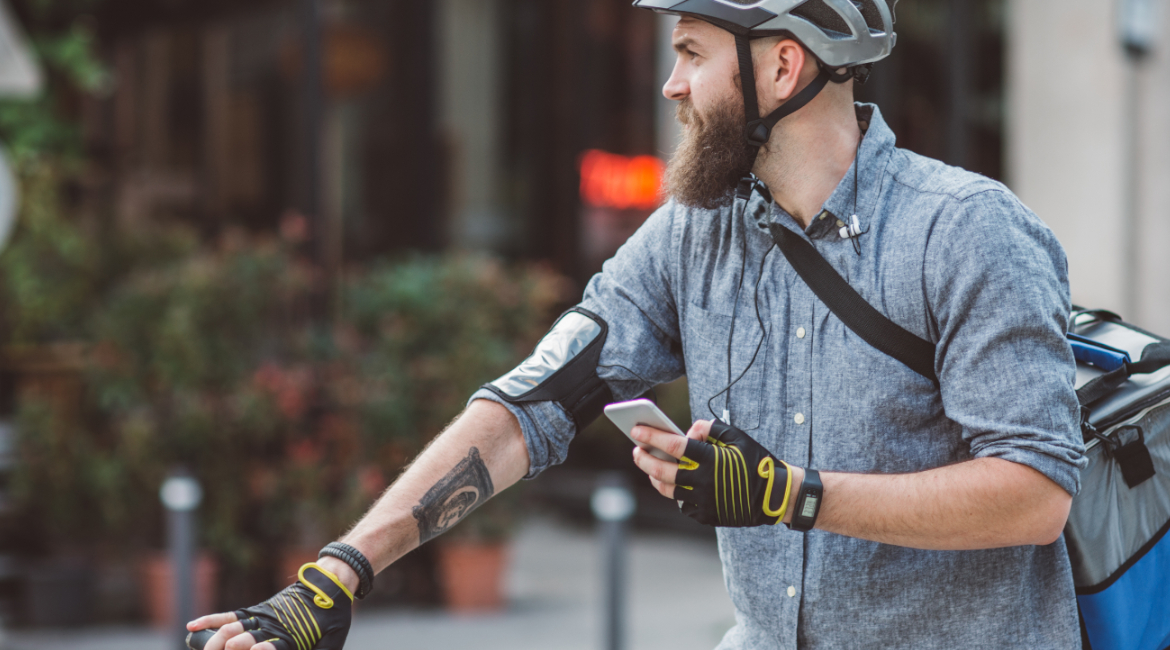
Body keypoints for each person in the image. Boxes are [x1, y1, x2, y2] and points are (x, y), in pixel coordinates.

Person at [188, 1, 1087, 648]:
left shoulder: (966, 231)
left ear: (784, 64)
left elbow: (1035, 495)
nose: (670, 83)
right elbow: (533, 402)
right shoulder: (692, 234)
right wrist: (340, 574)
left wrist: (791, 495)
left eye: (693, 51)